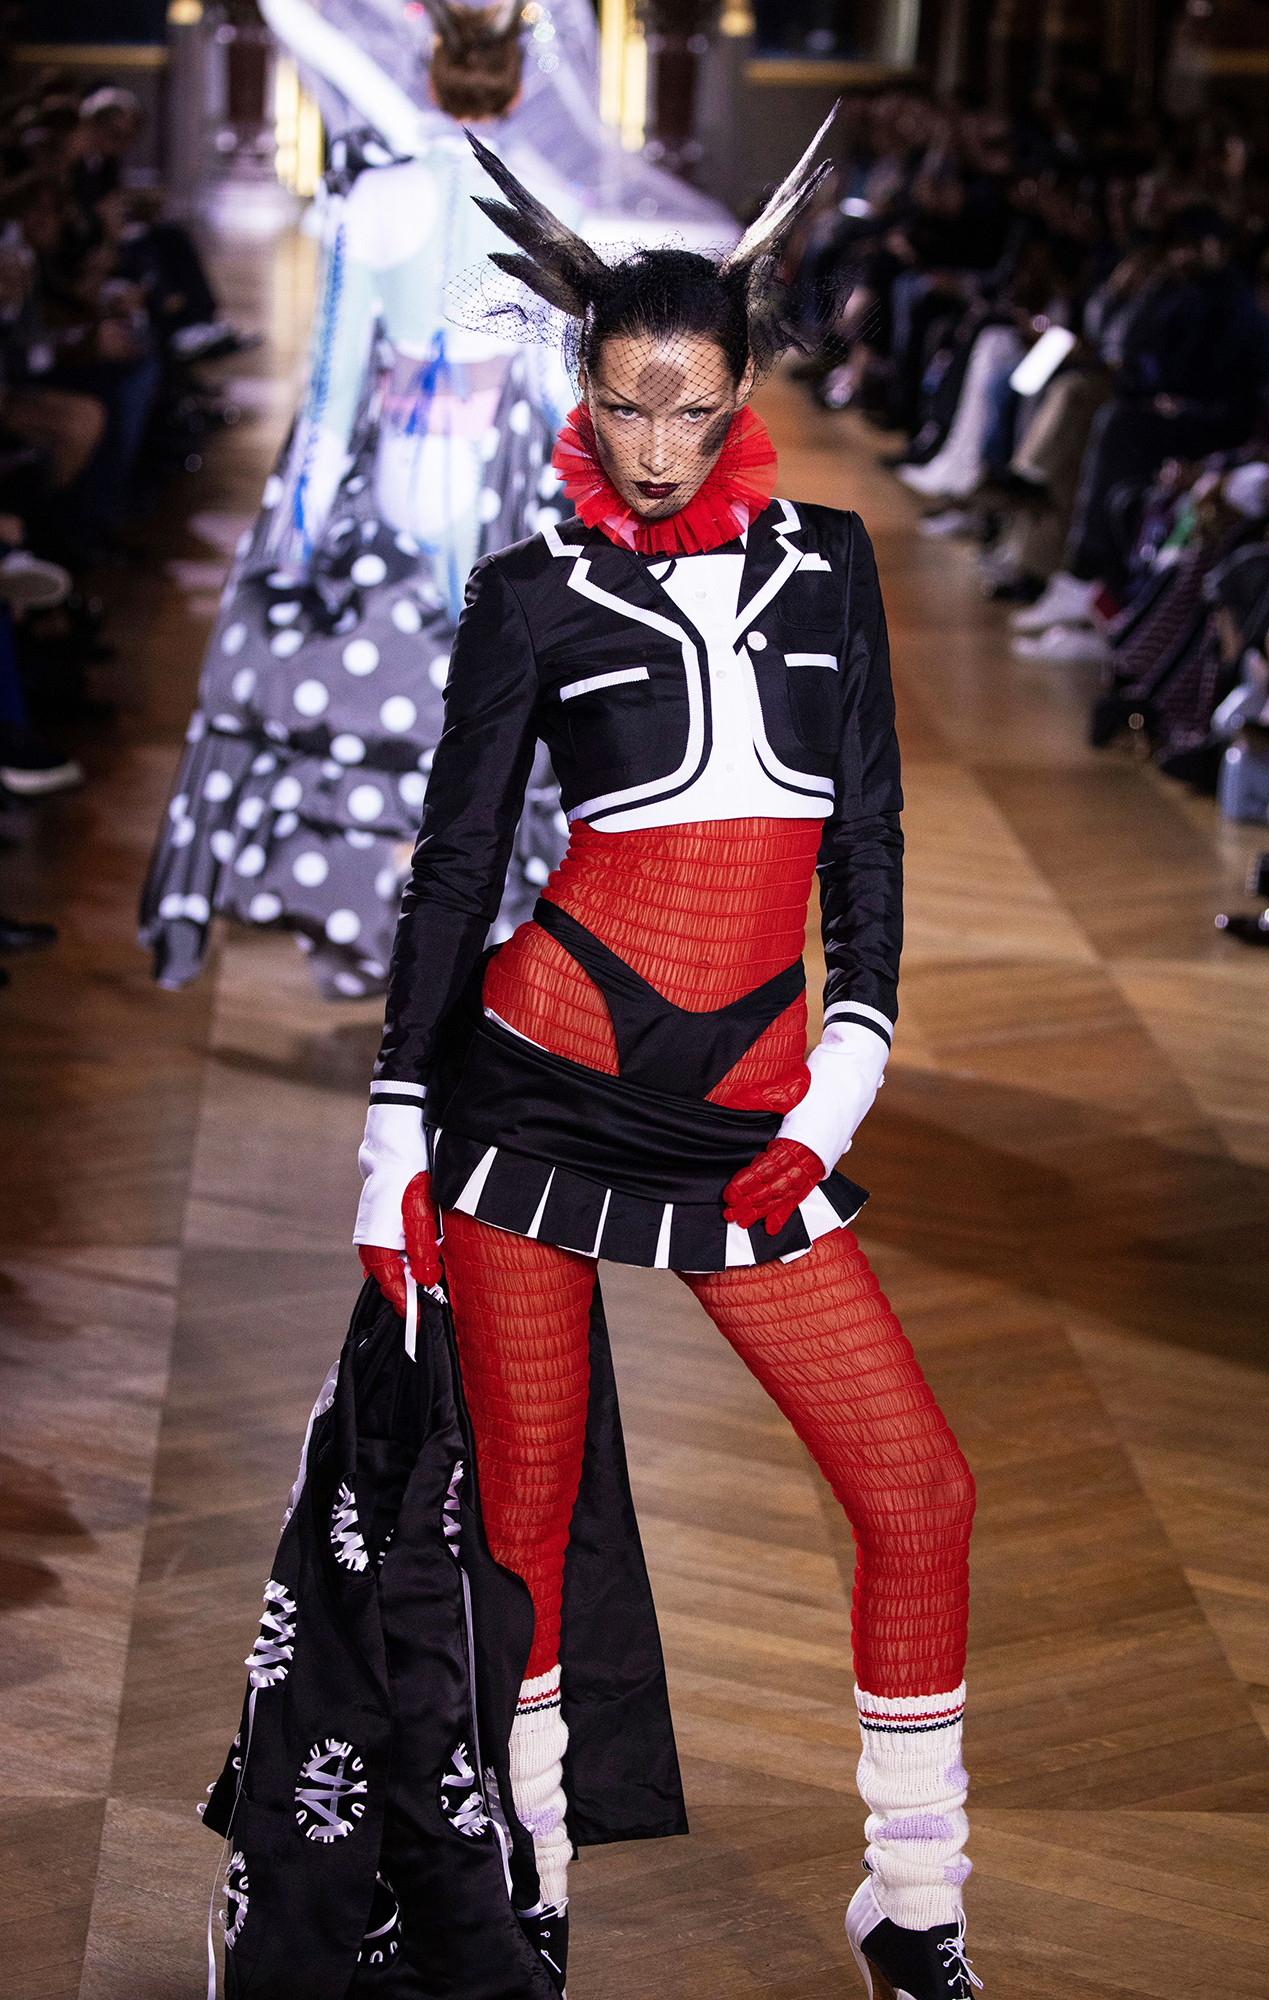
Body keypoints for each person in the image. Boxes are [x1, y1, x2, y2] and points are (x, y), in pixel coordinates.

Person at [349, 122, 979, 2000]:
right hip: (530, 1092)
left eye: (690, 408)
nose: (652, 445)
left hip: (753, 1118)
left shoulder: (831, 567)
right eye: (623, 404)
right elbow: (458, 866)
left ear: (740, 391)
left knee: (918, 1491)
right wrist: (392, 1135)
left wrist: (842, 1079)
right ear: (582, 384)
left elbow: (865, 840)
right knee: (521, 1516)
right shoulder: (528, 591)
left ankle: (915, 1903)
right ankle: (527, 1878)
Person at [140, 1, 578, 1000]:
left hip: (394, 468)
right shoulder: (551, 203)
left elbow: (334, 389)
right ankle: (472, 942)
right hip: (499, 477)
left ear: (429, 75)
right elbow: (562, 389)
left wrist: (294, 542)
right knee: (484, 713)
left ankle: (370, 923)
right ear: (520, 84)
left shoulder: (376, 195)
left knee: (381, 697)